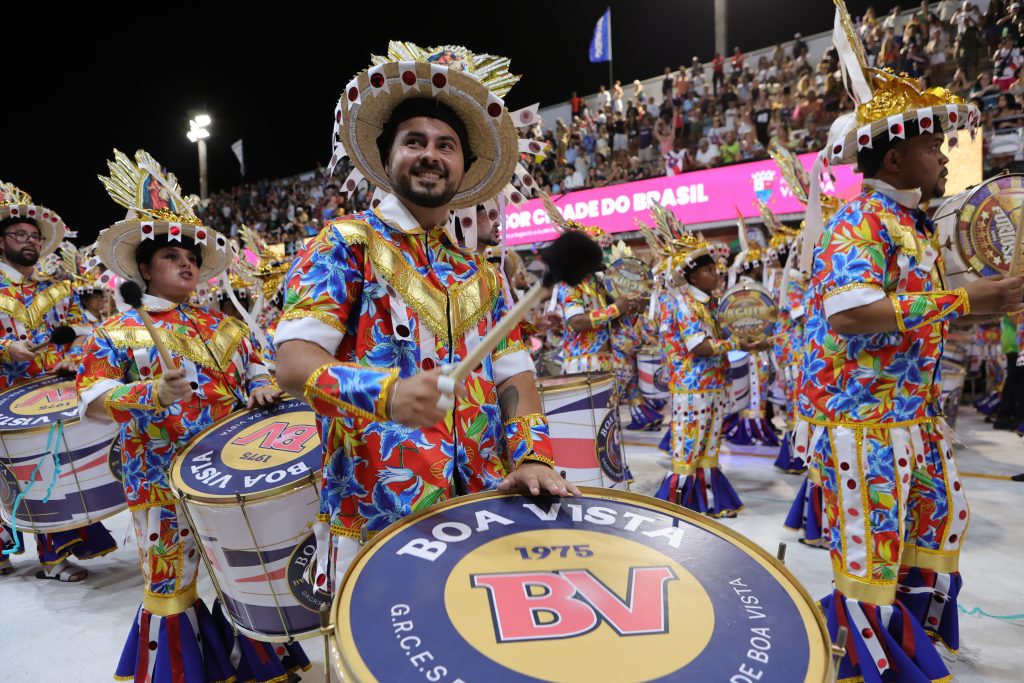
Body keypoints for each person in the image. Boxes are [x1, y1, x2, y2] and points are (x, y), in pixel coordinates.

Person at [274, 43, 578, 589]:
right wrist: (386, 394)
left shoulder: (481, 272)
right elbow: (294, 365)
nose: (431, 154)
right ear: (387, 157)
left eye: (447, 145)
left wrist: (533, 457)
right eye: (414, 141)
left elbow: (516, 377)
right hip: (375, 516)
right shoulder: (345, 243)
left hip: (483, 509)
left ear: (465, 165)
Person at [800, 11, 1023, 679]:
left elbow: (912, 318)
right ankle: (874, 663)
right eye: (933, 146)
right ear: (894, 156)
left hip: (913, 418)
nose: (946, 155)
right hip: (861, 422)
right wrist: (966, 301)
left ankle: (910, 643)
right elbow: (852, 314)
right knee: (872, 553)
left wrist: (989, 305)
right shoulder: (860, 223)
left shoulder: (914, 225)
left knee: (939, 524)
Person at [78, 149, 307, 682]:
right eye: (170, 256)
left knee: (239, 577)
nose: (186, 262)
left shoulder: (225, 328)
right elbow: (89, 399)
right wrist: (151, 395)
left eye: (191, 256)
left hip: (228, 475)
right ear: (143, 270)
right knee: (169, 582)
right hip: (157, 480)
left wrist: (261, 391)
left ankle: (258, 663)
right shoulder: (118, 334)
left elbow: (258, 372)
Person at [0, 183, 117, 582]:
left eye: (34, 236)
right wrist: (5, 347)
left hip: (46, 396)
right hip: (3, 397)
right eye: (20, 235)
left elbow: (76, 334)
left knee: (47, 471)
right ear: (2, 242)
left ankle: (54, 557)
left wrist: (70, 358)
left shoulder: (55, 289)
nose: (29, 242)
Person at [640, 203, 757, 517]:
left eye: (715, 268)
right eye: (707, 270)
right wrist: (736, 342)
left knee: (709, 446)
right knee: (689, 446)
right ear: (691, 275)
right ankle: (678, 503)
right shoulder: (686, 305)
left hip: (714, 384)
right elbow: (699, 347)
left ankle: (709, 500)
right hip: (692, 388)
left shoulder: (712, 303)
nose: (715, 273)